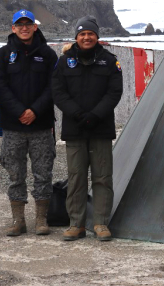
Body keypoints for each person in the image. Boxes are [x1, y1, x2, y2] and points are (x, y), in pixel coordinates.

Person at [52, 16, 123, 242]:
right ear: (76, 37)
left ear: (97, 37)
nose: (86, 37)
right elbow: (58, 92)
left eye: (90, 34)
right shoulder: (64, 62)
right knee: (76, 177)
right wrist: (79, 114)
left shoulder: (110, 61)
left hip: (101, 128)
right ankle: (76, 224)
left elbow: (114, 92)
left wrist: (95, 115)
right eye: (82, 34)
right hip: (75, 128)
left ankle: (101, 223)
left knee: (102, 177)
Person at [0, 10, 58, 237]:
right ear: (13, 28)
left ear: (35, 27)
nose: (24, 28)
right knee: (14, 174)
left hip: (41, 125)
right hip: (13, 126)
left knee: (43, 173)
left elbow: (54, 87)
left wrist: (35, 111)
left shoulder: (49, 55)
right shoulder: (1, 55)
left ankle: (41, 219)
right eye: (19, 24)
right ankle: (17, 220)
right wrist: (20, 111)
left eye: (28, 24)